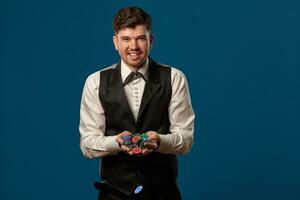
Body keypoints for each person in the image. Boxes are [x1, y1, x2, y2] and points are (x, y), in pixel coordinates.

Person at [79, 6, 195, 200]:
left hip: (163, 193)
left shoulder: (174, 78)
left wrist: (159, 141)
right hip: (113, 194)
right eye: (126, 39)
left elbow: (185, 140)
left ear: (151, 40)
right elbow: (88, 144)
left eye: (141, 38)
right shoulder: (95, 82)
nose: (134, 46)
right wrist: (116, 142)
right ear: (115, 42)